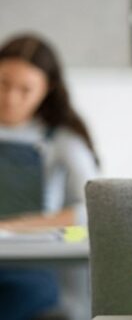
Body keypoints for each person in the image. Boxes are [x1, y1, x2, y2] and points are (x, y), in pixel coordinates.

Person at [0, 33, 100, 320]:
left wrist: (15, 226)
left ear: (48, 89)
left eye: (25, 90)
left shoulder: (62, 143)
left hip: (31, 269)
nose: (9, 98)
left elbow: (92, 211)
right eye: (3, 83)